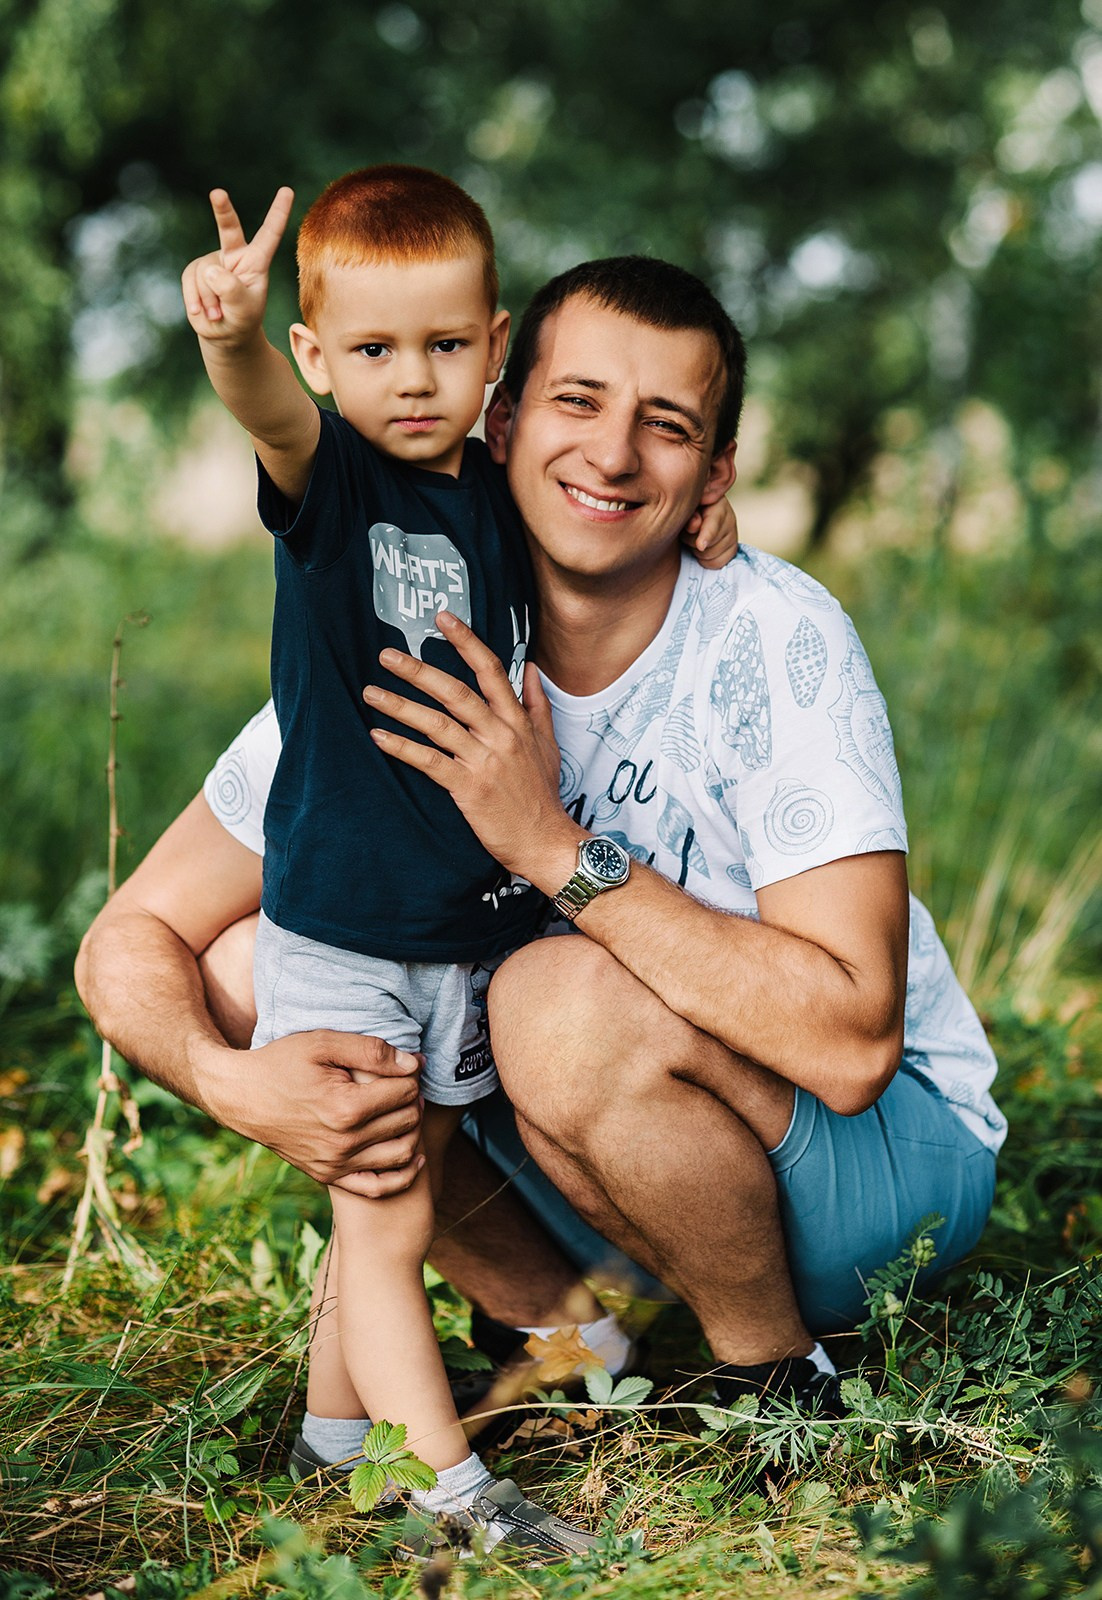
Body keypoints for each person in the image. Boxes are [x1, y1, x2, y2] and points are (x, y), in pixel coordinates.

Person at [77, 249, 1003, 1513]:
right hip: (633, 1171)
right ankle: (571, 1329)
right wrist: (232, 1081)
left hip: (874, 1176)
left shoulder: (772, 636)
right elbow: (131, 943)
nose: (613, 457)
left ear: (711, 477)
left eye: (665, 426)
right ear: (501, 417)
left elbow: (849, 1047)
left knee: (549, 996)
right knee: (268, 969)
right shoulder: (411, 623)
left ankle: (777, 1378)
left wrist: (550, 846)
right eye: (577, 403)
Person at [173, 168, 737, 1557]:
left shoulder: (494, 490)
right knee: (384, 1216)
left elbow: (606, 517)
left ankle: (326, 1437)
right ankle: (449, 1490)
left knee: (399, 1181)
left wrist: (711, 522)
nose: (408, 380)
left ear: (494, 350)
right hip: (349, 933)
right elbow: (264, 414)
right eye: (369, 350)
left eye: (440, 346)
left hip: (459, 935)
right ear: (319, 361)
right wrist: (230, 337)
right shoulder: (333, 484)